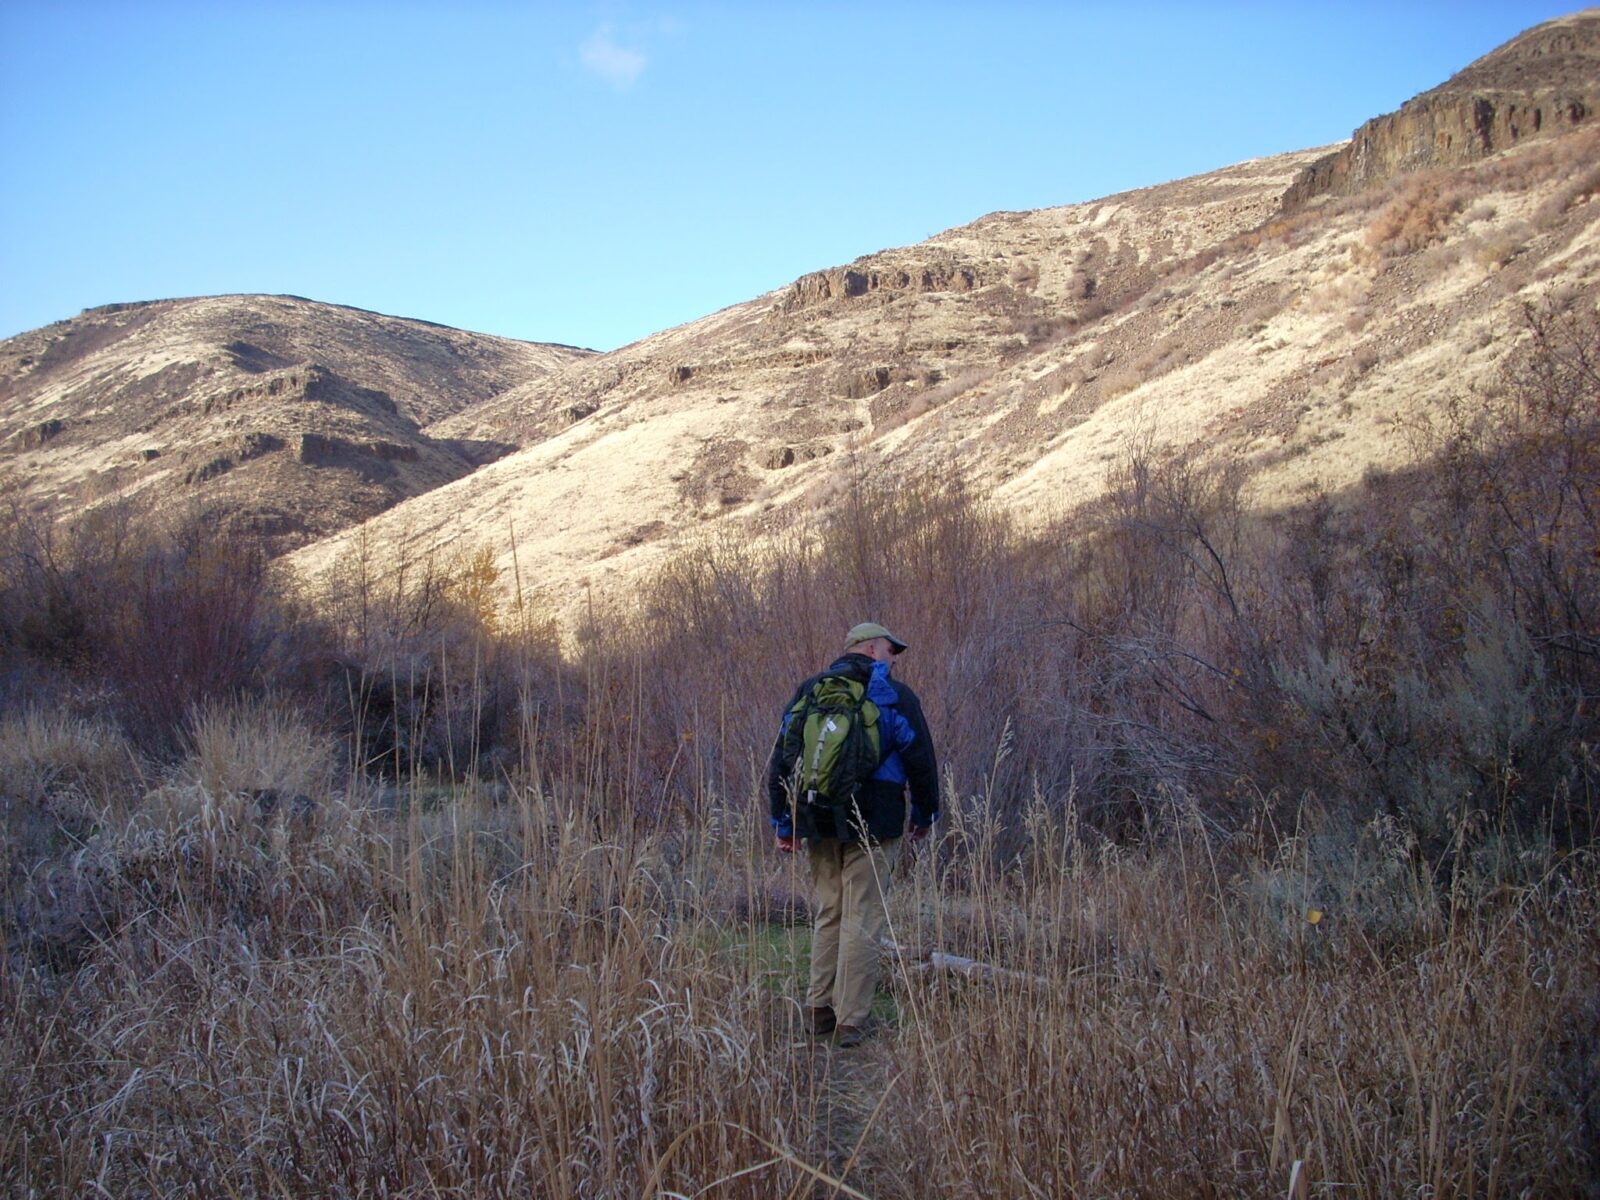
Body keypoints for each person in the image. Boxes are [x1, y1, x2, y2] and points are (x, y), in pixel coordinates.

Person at [766, 621, 939, 1047]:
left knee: (829, 911)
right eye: (889, 649)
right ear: (871, 648)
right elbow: (921, 759)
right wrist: (924, 813)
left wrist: (784, 824)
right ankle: (851, 1021)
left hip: (816, 815)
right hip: (876, 817)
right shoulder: (893, 696)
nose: (893, 657)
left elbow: (782, 759)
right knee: (862, 915)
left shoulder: (811, 691)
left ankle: (817, 1010)